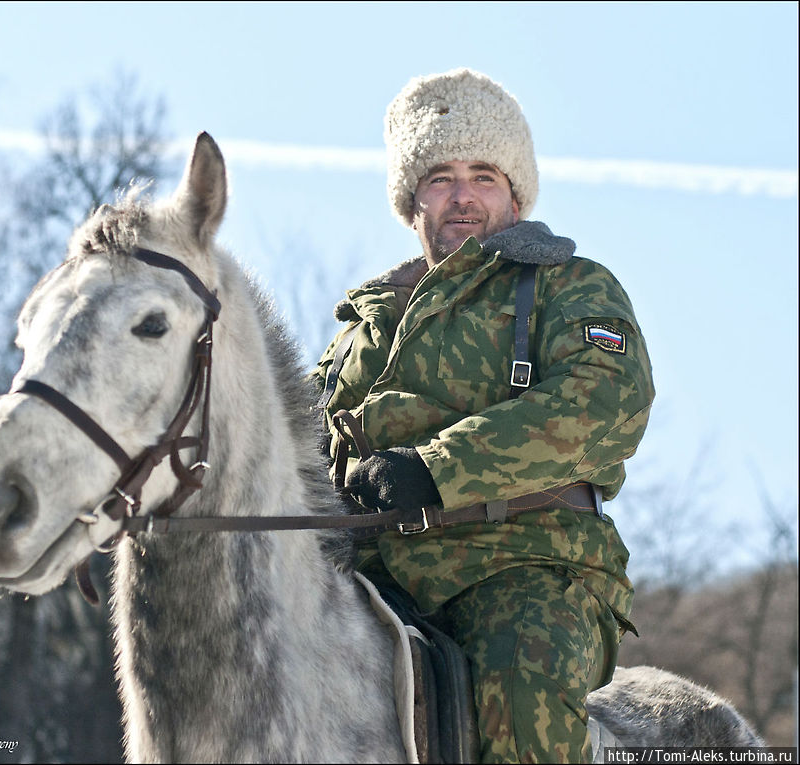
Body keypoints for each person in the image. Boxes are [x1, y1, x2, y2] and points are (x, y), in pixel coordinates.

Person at [309, 68, 654, 763]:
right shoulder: (363, 325)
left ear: (516, 194)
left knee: (517, 683)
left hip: (523, 563)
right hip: (365, 572)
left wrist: (433, 468)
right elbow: (283, 437)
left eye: (483, 175)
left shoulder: (566, 284)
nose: (461, 195)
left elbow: (601, 403)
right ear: (412, 199)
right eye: (439, 176)